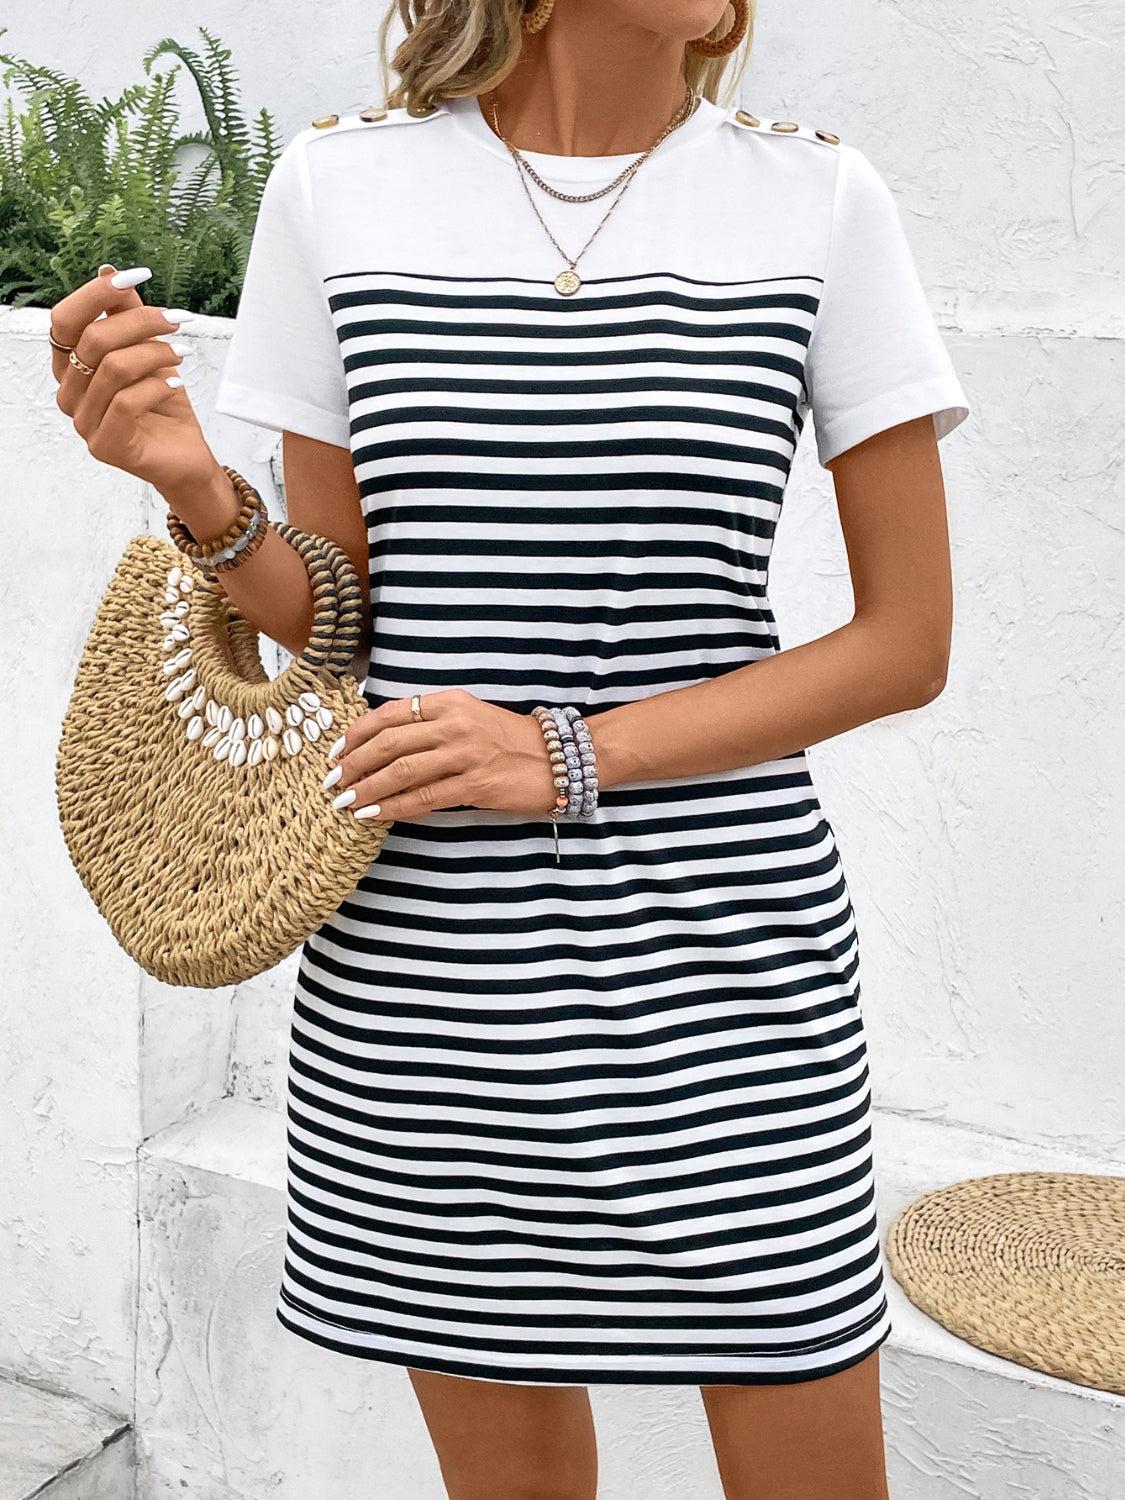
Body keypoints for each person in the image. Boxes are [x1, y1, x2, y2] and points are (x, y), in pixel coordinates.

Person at [48, 1, 969, 1494]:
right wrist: (194, 487)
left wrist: (567, 752)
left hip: (731, 966)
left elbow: (903, 640)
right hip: (430, 965)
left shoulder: (814, 201)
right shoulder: (338, 191)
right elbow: (339, 618)